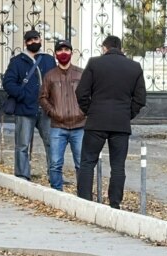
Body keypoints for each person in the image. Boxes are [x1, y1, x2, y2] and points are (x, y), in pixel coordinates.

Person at [75, 35, 145, 208]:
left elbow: (81, 93)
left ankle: (85, 201)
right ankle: (114, 203)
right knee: (118, 165)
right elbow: (140, 98)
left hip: (96, 121)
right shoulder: (134, 67)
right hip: (121, 123)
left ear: (104, 48)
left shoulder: (94, 63)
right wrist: (127, 114)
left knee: (87, 162)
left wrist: (90, 111)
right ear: (121, 49)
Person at [2, 29, 56, 181]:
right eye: (30, 40)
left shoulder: (48, 60)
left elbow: (55, 81)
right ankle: (22, 174)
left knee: (52, 143)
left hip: (46, 109)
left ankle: (54, 174)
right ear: (25, 42)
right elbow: (8, 83)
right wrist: (23, 96)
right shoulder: (17, 61)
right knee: (22, 144)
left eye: (36, 39)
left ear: (41, 39)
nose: (33, 42)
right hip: (25, 109)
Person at [39, 40, 85, 191]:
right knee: (55, 163)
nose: (63, 53)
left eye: (66, 50)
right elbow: (43, 97)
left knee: (81, 163)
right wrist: (53, 112)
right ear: (55, 54)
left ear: (71, 52)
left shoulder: (81, 73)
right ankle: (57, 193)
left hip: (79, 126)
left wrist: (84, 112)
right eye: (60, 50)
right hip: (58, 127)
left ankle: (83, 194)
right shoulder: (50, 76)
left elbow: (90, 95)